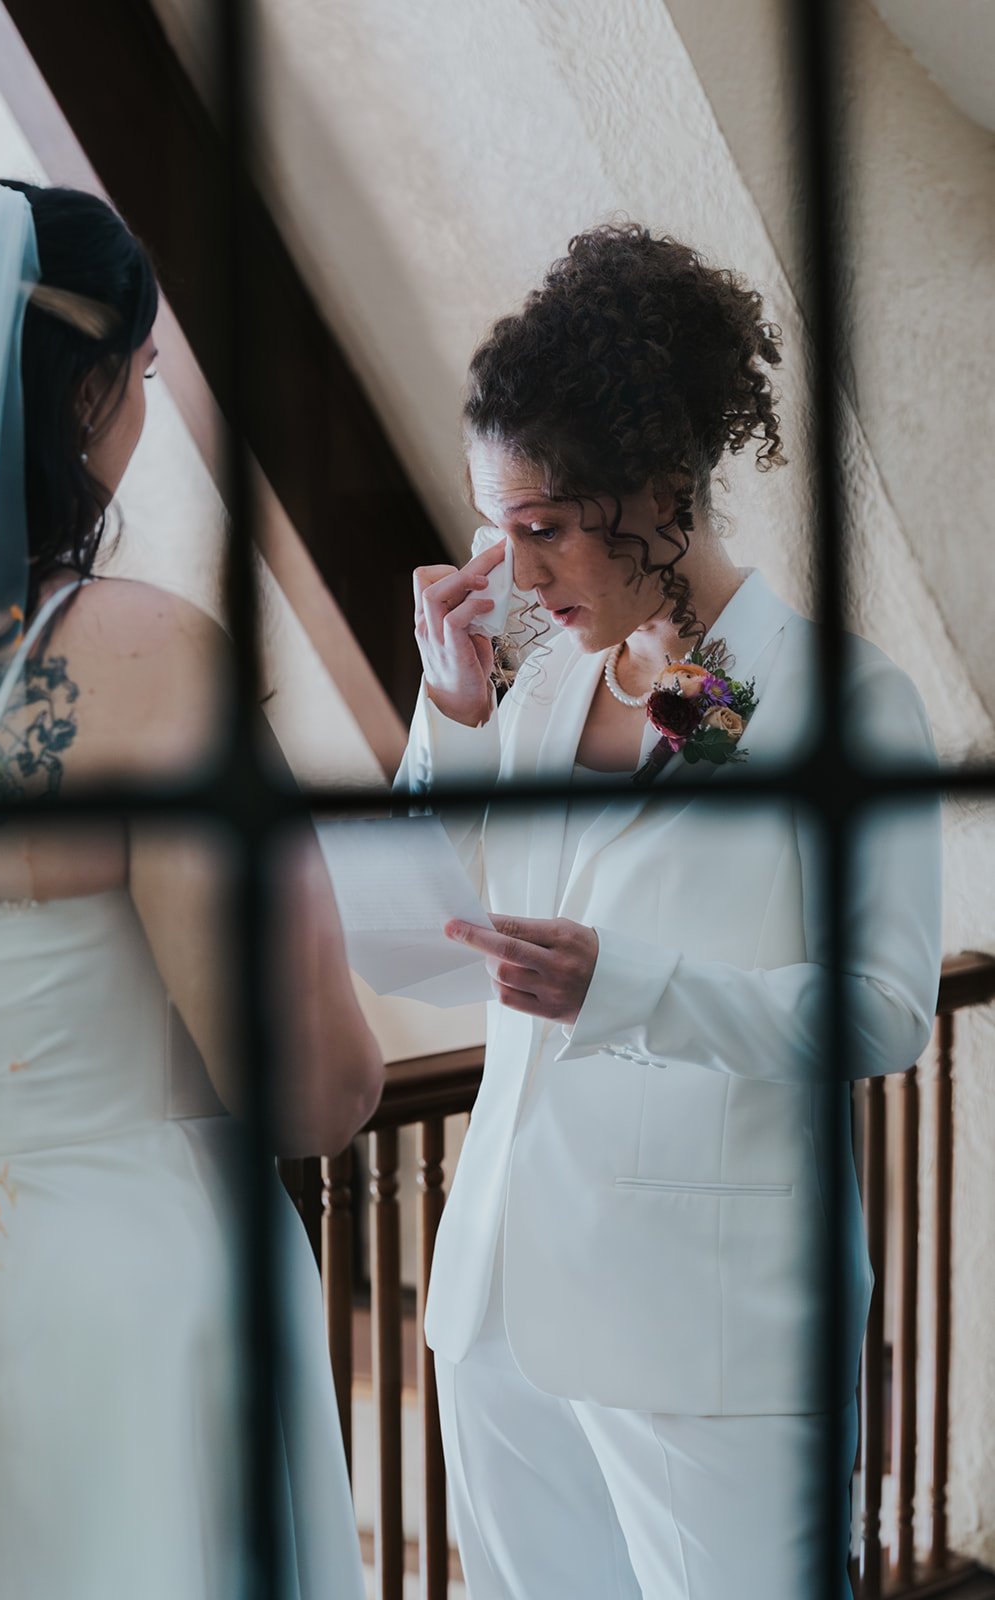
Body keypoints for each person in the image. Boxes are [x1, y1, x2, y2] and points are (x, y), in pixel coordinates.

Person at [397, 224, 942, 1599]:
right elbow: (415, 927)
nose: (517, 578)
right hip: (497, 1314)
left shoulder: (834, 701)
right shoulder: (534, 698)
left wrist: (625, 986)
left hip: (705, 1339)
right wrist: (448, 717)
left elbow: (883, 1011)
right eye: (497, 533)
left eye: (541, 532)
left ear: (655, 499)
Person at [0, 179, 381, 1598]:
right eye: (144, 372)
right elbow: (313, 1088)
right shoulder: (149, 662)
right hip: (111, 1308)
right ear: (89, 391)